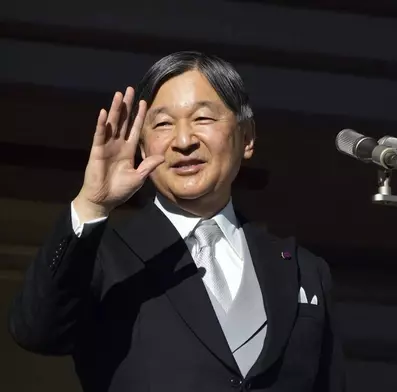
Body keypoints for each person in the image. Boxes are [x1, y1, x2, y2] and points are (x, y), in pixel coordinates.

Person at [8, 51, 345, 392]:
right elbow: (36, 331)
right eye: (164, 124)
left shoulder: (304, 270)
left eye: (202, 119)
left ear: (247, 137)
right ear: (142, 146)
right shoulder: (105, 257)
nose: (183, 142)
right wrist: (91, 203)